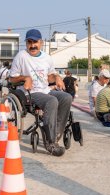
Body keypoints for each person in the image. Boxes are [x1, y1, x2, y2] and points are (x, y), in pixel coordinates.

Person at [9, 29, 72, 157]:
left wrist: (58, 78)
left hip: (46, 90)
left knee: (66, 97)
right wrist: (25, 78)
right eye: (29, 42)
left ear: (41, 42)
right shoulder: (21, 56)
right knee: (51, 101)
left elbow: (50, 77)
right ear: (26, 43)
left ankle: (56, 133)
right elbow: (12, 78)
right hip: (30, 93)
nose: (32, 45)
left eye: (35, 42)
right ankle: (50, 143)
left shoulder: (47, 57)